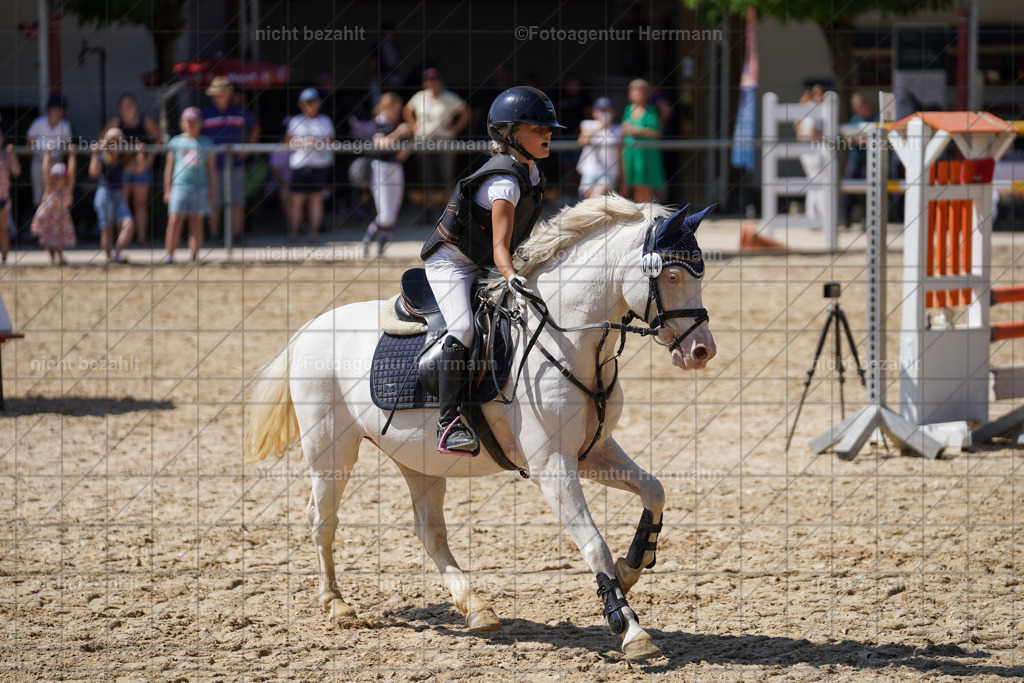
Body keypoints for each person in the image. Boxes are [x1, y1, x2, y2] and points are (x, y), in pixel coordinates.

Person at [420, 86, 563, 453]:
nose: (548, 134)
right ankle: (448, 421)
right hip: (451, 263)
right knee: (464, 327)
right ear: (512, 134)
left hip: (483, 261)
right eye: (538, 129)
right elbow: (501, 248)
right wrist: (512, 275)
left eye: (549, 129)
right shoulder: (504, 182)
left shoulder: (529, 172)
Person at [404, 68, 470, 220]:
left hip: (444, 142)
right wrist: (414, 125)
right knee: (426, 177)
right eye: (428, 79)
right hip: (424, 142)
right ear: (424, 82)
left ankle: (449, 213)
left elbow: (466, 112)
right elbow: (406, 110)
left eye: (435, 79)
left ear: (441, 80)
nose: (432, 82)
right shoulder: (419, 97)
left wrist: (455, 129)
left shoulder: (449, 97)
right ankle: (428, 212)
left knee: (446, 177)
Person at [201, 76, 259, 242]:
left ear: (228, 93)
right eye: (215, 94)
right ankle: (214, 236)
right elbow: (198, 136)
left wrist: (248, 148)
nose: (217, 97)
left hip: (235, 164)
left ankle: (236, 235)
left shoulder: (240, 111)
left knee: (237, 200)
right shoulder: (205, 113)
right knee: (214, 200)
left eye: (220, 93)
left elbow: (254, 128)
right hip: (213, 166)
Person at [357, 92, 414, 258]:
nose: (396, 113)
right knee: (385, 214)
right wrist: (399, 133)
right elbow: (380, 144)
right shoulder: (376, 124)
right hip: (381, 168)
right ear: (384, 107)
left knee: (393, 214)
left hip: (395, 167)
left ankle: (381, 248)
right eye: (394, 109)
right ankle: (366, 242)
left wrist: (410, 140)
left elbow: (401, 155)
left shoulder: (394, 125)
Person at [100, 93, 162, 245]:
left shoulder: (144, 121)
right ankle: (120, 239)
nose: (128, 107)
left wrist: (149, 158)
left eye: (130, 104)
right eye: (124, 105)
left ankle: (141, 238)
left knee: (140, 203)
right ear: (119, 108)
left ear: (136, 105)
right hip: (123, 167)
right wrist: (111, 159)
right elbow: (102, 141)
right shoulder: (115, 122)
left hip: (140, 166)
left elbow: (159, 139)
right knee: (123, 203)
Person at [163, 108, 216, 263]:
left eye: (194, 122)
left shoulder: (206, 142)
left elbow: (212, 169)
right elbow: (169, 166)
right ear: (182, 123)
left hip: (200, 187)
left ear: (200, 123)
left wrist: (213, 191)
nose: (191, 125)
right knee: (174, 221)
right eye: (188, 121)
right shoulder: (176, 142)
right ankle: (170, 255)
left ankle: (194, 255)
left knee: (196, 222)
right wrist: (167, 189)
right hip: (179, 187)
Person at [285, 88, 335, 242]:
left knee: (316, 198)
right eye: (306, 102)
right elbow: (288, 141)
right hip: (300, 165)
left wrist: (317, 142)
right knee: (297, 199)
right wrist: (304, 142)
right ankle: (294, 232)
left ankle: (313, 232)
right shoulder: (295, 121)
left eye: (312, 102)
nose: (309, 105)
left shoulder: (325, 120)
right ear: (301, 105)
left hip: (319, 164)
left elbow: (331, 140)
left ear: (318, 103)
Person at [89, 128, 139, 263]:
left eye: (117, 140)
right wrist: (95, 153)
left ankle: (116, 254)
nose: (114, 144)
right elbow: (93, 172)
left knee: (129, 224)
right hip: (104, 194)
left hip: (119, 195)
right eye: (111, 141)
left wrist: (138, 152)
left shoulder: (124, 157)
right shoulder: (102, 156)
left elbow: (138, 169)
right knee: (107, 229)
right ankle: (109, 258)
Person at [620, 79, 665, 203]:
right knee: (635, 187)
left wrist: (638, 130)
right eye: (633, 91)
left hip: (646, 154)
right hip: (630, 153)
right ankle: (640, 215)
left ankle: (649, 215)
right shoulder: (628, 109)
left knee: (645, 186)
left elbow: (656, 133)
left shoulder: (651, 110)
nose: (636, 94)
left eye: (639, 91)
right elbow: (623, 130)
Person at [31, 149, 76, 265]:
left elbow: (72, 175)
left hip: (60, 221)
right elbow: (45, 171)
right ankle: (52, 259)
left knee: (58, 242)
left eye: (59, 177)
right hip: (48, 220)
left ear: (65, 179)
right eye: (54, 177)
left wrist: (72, 154)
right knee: (48, 242)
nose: (56, 180)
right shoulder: (49, 189)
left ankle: (59, 258)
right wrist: (47, 154)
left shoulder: (67, 192)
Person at [27, 93, 72, 207]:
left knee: (56, 193)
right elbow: (29, 142)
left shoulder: (65, 126)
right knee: (39, 193)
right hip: (39, 160)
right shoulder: (38, 123)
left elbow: (67, 145)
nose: (56, 112)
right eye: (54, 109)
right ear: (48, 110)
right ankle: (38, 220)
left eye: (59, 109)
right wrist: (36, 157)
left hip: (56, 162)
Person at [842, 93, 878, 228]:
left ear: (866, 105)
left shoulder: (876, 119)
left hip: (870, 161)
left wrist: (860, 141)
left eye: (859, 107)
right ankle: (846, 219)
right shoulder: (855, 119)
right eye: (854, 107)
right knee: (848, 188)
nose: (857, 110)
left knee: (868, 190)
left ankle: (866, 219)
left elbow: (876, 140)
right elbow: (847, 138)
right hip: (855, 159)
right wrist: (857, 141)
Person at [576, 97, 623, 198]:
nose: (604, 113)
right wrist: (601, 126)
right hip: (590, 171)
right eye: (601, 110)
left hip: (610, 173)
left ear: (612, 112)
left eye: (606, 110)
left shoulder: (619, 129)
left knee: (596, 196)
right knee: (589, 201)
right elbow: (582, 141)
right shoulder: (588, 124)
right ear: (594, 112)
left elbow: (621, 155)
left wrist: (623, 179)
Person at [796, 85, 827, 220]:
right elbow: (811, 132)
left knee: (813, 183)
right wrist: (829, 137)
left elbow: (800, 135)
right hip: (813, 150)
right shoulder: (813, 108)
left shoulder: (805, 108)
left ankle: (812, 216)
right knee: (820, 184)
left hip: (806, 151)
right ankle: (822, 216)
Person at [0, 127, 23, 264]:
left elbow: (17, 171)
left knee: (3, 230)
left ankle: (4, 260)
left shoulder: (6, 156)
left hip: (3, 199)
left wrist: (13, 155)